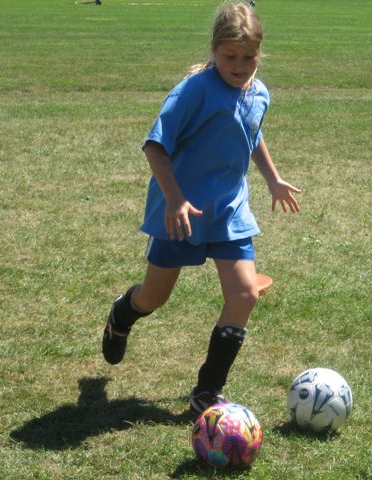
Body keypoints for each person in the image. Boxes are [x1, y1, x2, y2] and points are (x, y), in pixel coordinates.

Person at [101, 0, 301, 420]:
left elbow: (252, 132)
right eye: (231, 56)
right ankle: (123, 312)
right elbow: (155, 145)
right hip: (182, 212)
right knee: (155, 297)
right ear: (214, 50)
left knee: (244, 294)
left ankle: (206, 393)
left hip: (229, 212)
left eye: (249, 57)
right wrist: (174, 198)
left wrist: (272, 177)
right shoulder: (193, 91)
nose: (241, 66)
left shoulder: (259, 91)